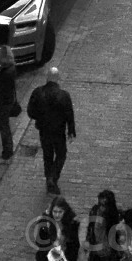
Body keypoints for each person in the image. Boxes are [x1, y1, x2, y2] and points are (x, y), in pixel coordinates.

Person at [27, 65, 76, 195]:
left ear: (47, 78)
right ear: (58, 79)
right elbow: (69, 114)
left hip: (44, 130)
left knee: (47, 155)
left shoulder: (37, 92)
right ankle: (53, 178)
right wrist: (71, 130)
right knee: (61, 154)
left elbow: (30, 111)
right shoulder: (64, 95)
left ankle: (49, 177)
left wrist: (40, 118)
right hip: (59, 131)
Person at [31, 195, 82, 261]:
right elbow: (40, 243)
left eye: (60, 212)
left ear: (65, 211)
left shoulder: (72, 224)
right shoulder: (45, 223)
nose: (57, 215)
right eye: (55, 211)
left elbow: (74, 245)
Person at [0, 45, 19, 160]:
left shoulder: (5, 73)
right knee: (5, 126)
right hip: (9, 101)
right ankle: (8, 150)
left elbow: (1, 90)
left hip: (4, 103)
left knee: (4, 127)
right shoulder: (12, 68)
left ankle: (7, 153)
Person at [85, 189, 124, 261]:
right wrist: (87, 241)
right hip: (95, 249)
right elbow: (90, 228)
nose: (101, 208)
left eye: (104, 205)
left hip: (107, 251)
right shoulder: (94, 210)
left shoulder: (113, 215)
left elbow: (115, 234)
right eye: (100, 204)